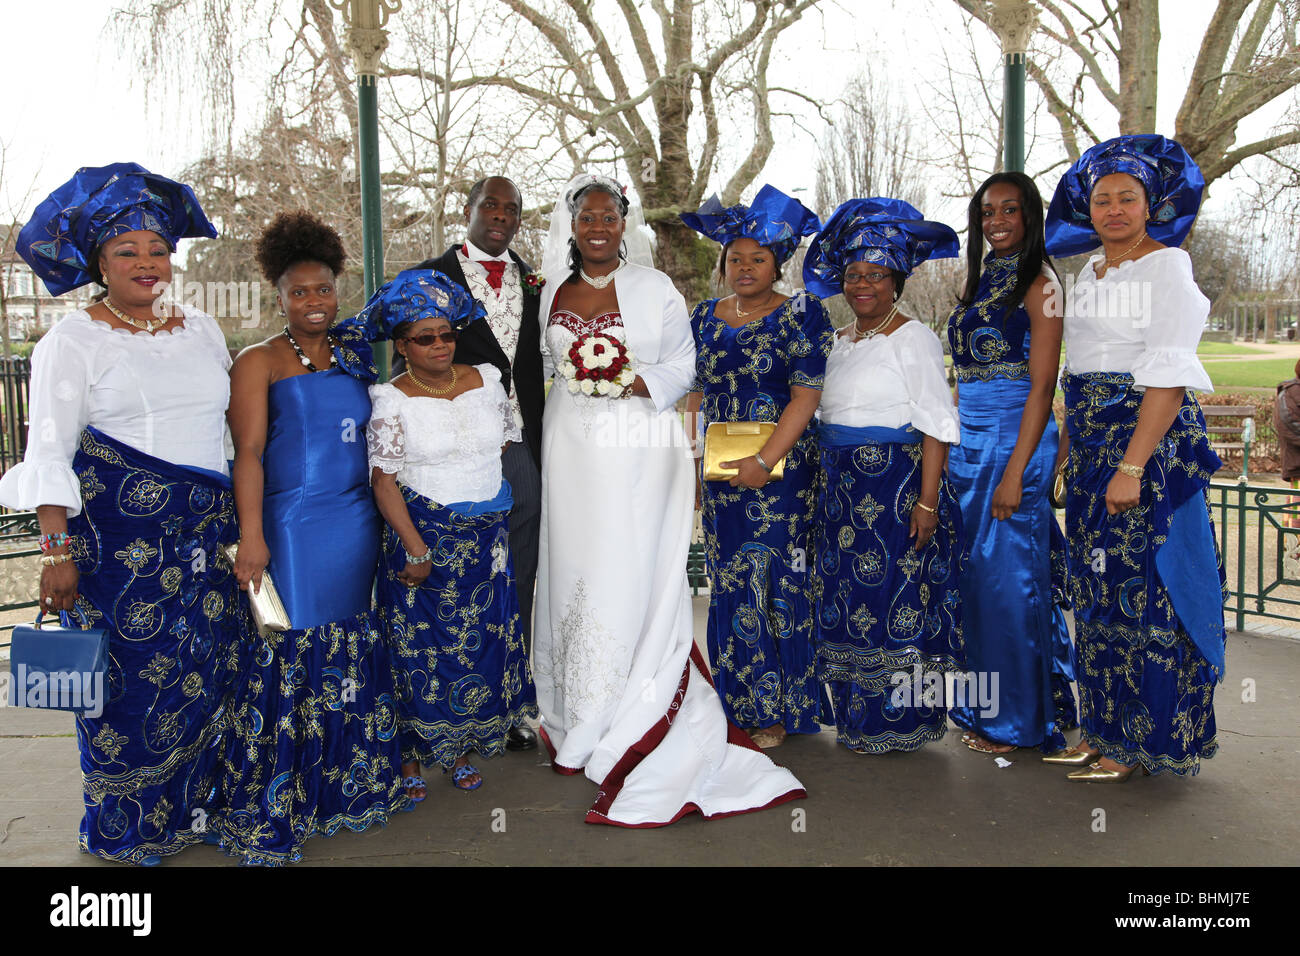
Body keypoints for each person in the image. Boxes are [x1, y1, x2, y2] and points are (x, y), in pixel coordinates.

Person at [532, 172, 805, 825]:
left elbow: (687, 364)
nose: (598, 227)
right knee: (577, 569)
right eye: (586, 217)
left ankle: (635, 699)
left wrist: (632, 381)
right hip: (571, 447)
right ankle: (582, 707)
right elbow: (545, 368)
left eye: (609, 217)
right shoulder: (550, 297)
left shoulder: (656, 289)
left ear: (624, 223)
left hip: (640, 442)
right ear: (571, 225)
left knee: (629, 563)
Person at [0, 163, 248, 864]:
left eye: (158, 250)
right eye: (126, 252)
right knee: (126, 694)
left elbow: (223, 434)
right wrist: (55, 552)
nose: (147, 264)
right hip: (117, 554)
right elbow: (47, 448)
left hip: (204, 544)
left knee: (207, 677)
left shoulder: (200, 329)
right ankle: (127, 828)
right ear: (97, 262)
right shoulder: (71, 343)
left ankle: (200, 810)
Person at [217, 211, 408, 865]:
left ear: (338, 289)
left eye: (323, 289)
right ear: (279, 297)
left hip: (356, 523)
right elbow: (247, 454)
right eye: (299, 292)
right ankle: (284, 797)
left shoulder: (357, 361)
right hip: (293, 529)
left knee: (352, 646)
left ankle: (347, 788)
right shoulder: (258, 361)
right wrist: (252, 537)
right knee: (295, 650)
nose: (313, 301)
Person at [1045, 133, 1225, 781]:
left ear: (1152, 206)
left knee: (1149, 595)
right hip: (1094, 457)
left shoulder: (1166, 267)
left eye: (1128, 198)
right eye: (1102, 200)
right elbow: (1081, 373)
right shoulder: (1087, 273)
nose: (1114, 209)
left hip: (1145, 455)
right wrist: (1063, 455)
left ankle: (1144, 742)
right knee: (1099, 594)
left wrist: (1132, 466)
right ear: (1087, 210)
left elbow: (1168, 375)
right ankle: (1103, 730)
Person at [349, 269, 536, 793]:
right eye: (423, 338)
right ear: (402, 345)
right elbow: (384, 482)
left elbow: (498, 448)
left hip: (484, 539)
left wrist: (477, 511)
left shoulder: (488, 381)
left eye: (446, 334)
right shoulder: (390, 399)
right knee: (418, 649)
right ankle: (409, 757)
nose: (438, 345)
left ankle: (456, 749)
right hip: (422, 538)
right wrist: (417, 544)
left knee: (474, 648)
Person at [803, 197, 966, 752]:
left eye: (875, 275)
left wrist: (927, 502)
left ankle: (899, 723)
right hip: (841, 488)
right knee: (849, 597)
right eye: (853, 275)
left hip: (894, 485)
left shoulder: (913, 337)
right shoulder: (840, 342)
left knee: (896, 597)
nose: (862, 284)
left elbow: (936, 422)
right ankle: (854, 717)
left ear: (895, 282)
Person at [680, 185, 831, 749]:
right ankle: (736, 701)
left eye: (758, 258)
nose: (745, 268)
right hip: (722, 473)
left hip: (781, 474)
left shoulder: (802, 313)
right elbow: (694, 396)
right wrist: (694, 466)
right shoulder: (704, 318)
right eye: (735, 258)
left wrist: (766, 461)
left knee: (776, 580)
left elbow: (806, 397)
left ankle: (777, 710)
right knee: (730, 582)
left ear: (779, 263)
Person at [945, 173, 1079, 757]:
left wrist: (1017, 471)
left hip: (1012, 440)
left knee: (1007, 583)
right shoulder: (983, 279)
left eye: (1010, 209)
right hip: (971, 440)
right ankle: (1034, 695)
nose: (996, 220)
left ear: (1030, 216)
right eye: (987, 211)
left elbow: (1043, 384)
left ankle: (1016, 721)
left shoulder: (1041, 281)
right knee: (991, 581)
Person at [411, 177, 542, 753]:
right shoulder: (427, 277)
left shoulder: (536, 281)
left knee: (518, 576)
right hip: (452, 454)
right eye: (490, 205)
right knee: (452, 582)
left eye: (511, 209)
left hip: (520, 451)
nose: (501, 216)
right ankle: (446, 707)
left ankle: (510, 702)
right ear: (466, 211)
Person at [1276, 359, 1300, 529]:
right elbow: (1289, 424)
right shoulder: (1290, 392)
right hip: (1298, 462)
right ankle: (1294, 548)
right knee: (1296, 507)